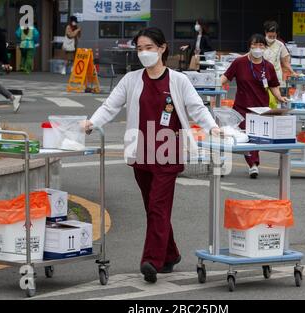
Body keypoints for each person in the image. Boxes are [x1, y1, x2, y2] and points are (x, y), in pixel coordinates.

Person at [85, 27, 220, 283]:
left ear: (162, 48)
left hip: (168, 151)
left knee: (158, 206)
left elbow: (196, 107)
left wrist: (212, 126)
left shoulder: (178, 80)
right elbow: (110, 105)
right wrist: (91, 123)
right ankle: (170, 254)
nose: (144, 53)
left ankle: (152, 261)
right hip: (140, 152)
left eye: (149, 48)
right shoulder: (132, 79)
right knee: (153, 208)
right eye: (139, 49)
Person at [221, 34, 287, 179]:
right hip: (241, 107)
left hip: (260, 109)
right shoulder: (239, 63)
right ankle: (251, 164)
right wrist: (213, 85)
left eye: (261, 46)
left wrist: (280, 97)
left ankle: (253, 164)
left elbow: (273, 85)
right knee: (245, 136)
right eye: (254, 45)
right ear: (249, 46)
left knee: (255, 137)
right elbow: (224, 78)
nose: (258, 48)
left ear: (265, 48)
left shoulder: (268, 66)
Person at [263, 21, 298, 88]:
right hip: (262, 75)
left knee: (275, 95)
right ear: (265, 32)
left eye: (274, 36)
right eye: (270, 36)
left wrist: (292, 72)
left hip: (276, 75)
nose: (272, 38)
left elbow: (285, 61)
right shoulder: (260, 43)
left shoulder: (280, 45)